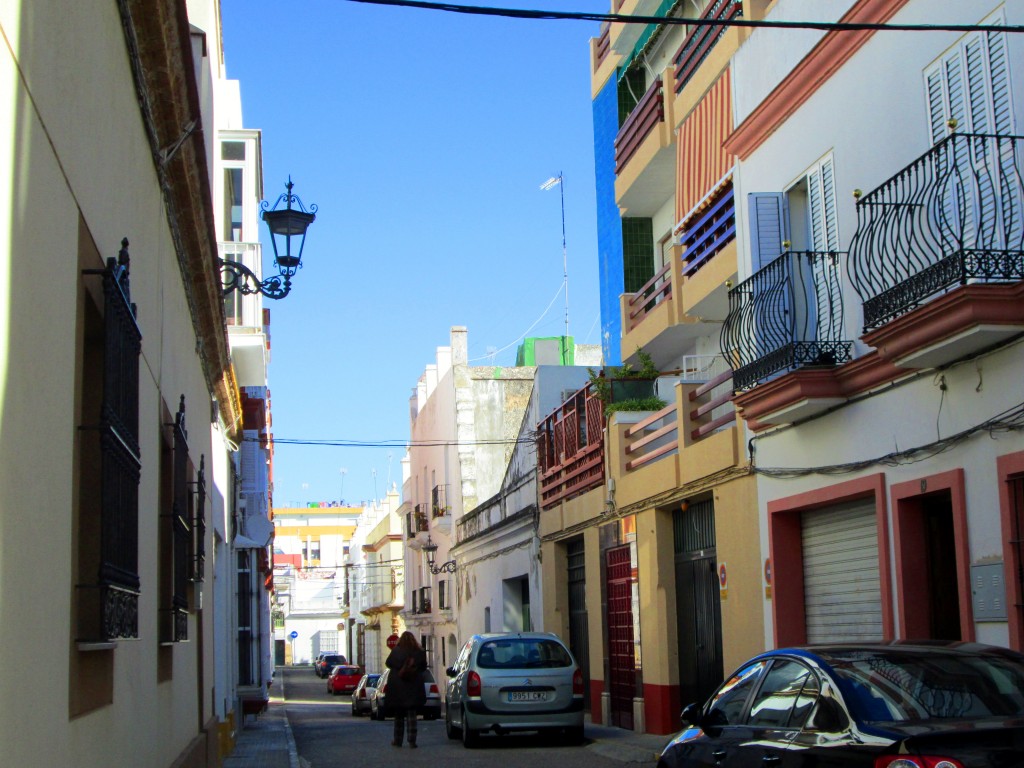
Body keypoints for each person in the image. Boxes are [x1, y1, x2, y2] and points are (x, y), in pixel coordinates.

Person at [384, 631, 427, 748]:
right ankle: (412, 741)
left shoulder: (396, 651)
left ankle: (398, 740)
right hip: (414, 686)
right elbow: (424, 667)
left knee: (399, 716)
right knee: (412, 715)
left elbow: (388, 663)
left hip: (398, 688)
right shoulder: (419, 652)